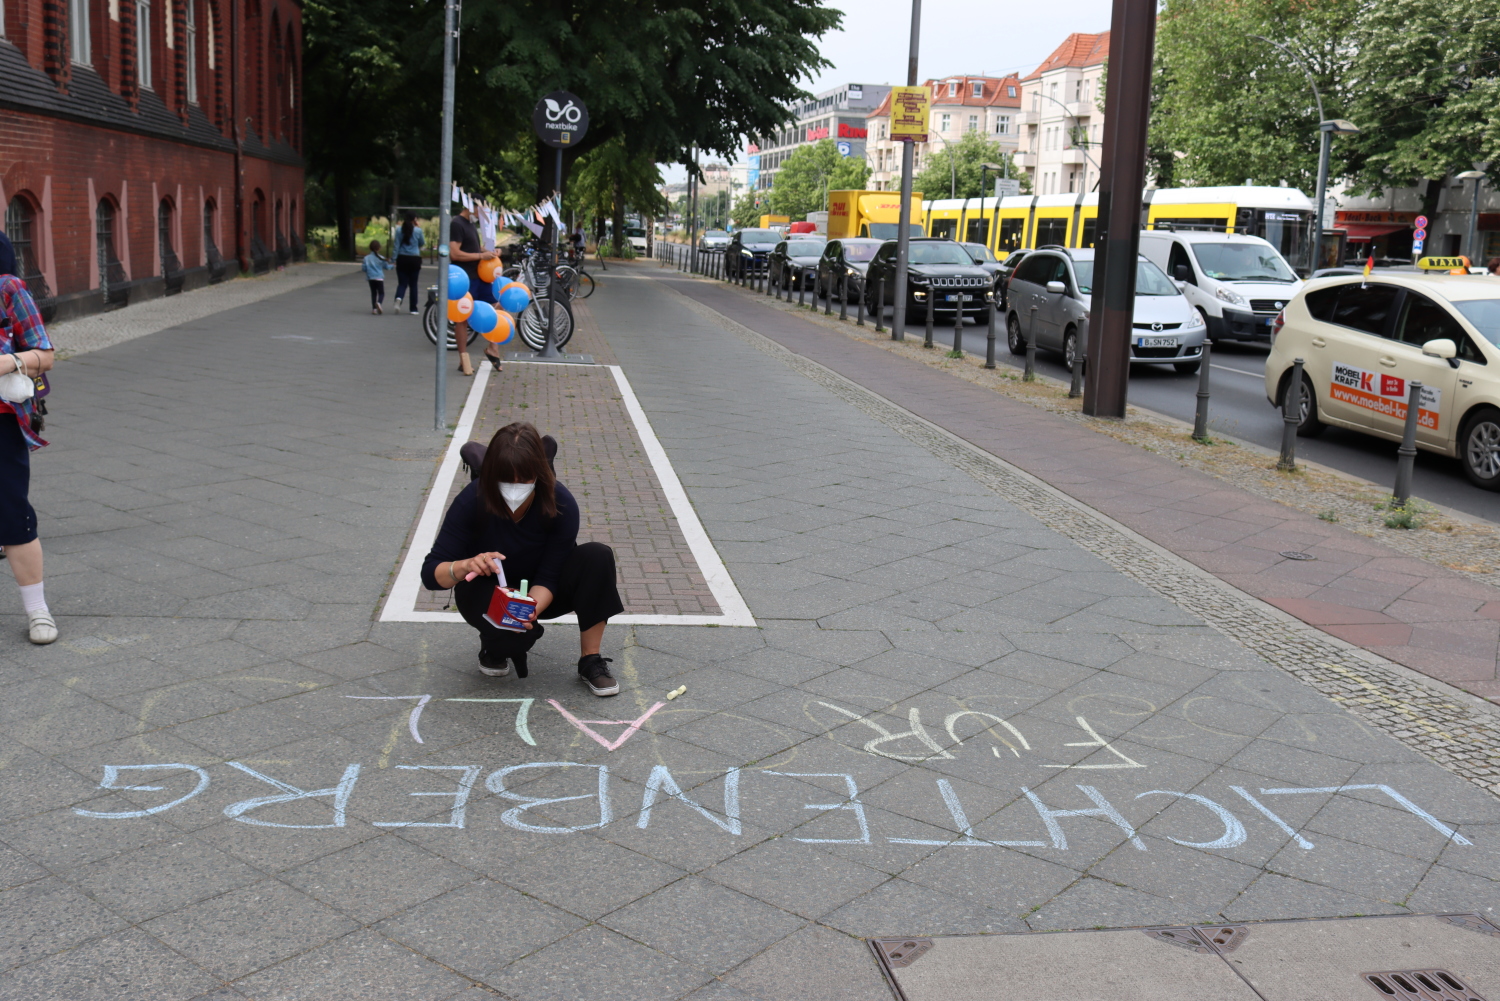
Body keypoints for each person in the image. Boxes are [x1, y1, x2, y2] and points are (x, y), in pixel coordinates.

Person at [422, 422, 623, 696]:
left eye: (524, 480)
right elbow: (431, 575)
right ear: (491, 475)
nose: (514, 489)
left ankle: (591, 659)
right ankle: (493, 646)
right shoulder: (472, 500)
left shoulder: (561, 502)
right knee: (510, 639)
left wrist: (525, 611)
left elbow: (550, 576)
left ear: (539, 474)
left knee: (597, 556)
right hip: (487, 589)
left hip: (542, 588)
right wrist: (464, 565)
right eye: (505, 480)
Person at [0, 231, 57, 644]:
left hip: (1, 424)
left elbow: (45, 355)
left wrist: (6, 362)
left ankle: (38, 611)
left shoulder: (9, 289)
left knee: (12, 515)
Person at [448, 203, 501, 375]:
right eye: (481, 211)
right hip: (464, 279)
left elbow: (472, 247)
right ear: (472, 207)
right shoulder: (456, 224)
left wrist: (489, 252)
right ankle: (463, 359)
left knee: (498, 305)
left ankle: (493, 348)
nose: (481, 216)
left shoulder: (470, 224)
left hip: (479, 276)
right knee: (462, 318)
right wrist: (480, 255)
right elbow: (454, 253)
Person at [392, 215, 425, 315]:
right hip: (414, 259)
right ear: (414, 219)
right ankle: (413, 308)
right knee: (413, 284)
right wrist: (418, 227)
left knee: (402, 283)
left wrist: (394, 259)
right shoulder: (418, 231)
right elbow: (422, 243)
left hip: (402, 258)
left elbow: (396, 245)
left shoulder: (399, 230)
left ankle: (399, 298)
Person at [362, 240, 394, 314]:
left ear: (370, 248)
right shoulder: (381, 258)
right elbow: (386, 267)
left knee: (373, 293)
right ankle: (379, 303)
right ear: (379, 248)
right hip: (379, 277)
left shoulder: (366, 258)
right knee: (381, 293)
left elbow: (364, 268)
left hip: (371, 278)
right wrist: (393, 266)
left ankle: (374, 309)